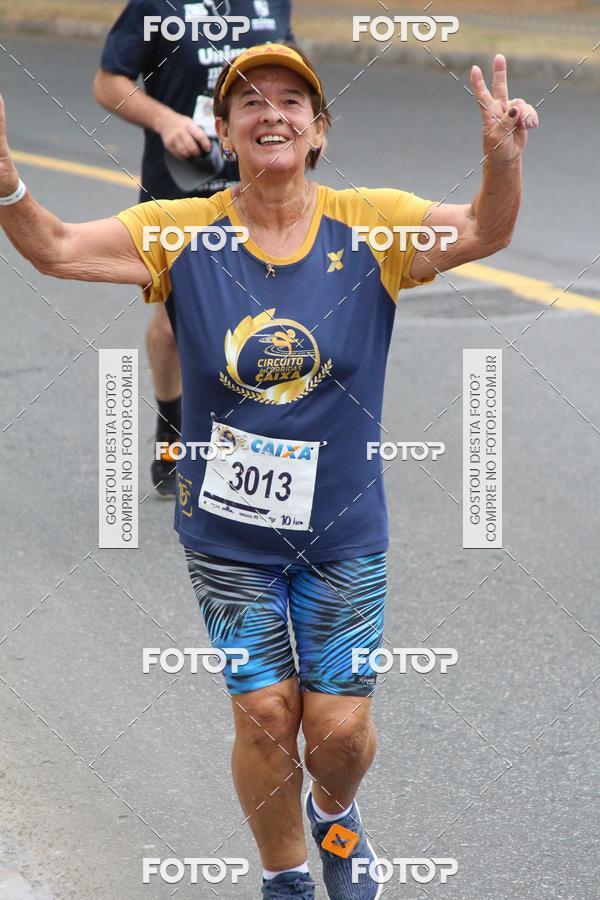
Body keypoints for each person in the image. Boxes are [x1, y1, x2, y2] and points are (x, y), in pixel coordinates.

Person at [0, 43, 538, 899]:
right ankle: (286, 876)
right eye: (249, 102)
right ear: (225, 131)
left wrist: (499, 161)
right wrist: (3, 177)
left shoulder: (374, 223)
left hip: (344, 528)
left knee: (338, 730)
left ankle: (335, 811)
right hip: (228, 534)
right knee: (263, 715)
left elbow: (485, 229)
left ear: (319, 131)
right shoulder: (180, 233)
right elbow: (55, 247)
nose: (272, 113)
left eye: (293, 101)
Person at [93, 0, 294, 497]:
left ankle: (257, 452)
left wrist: (301, 130)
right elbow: (109, 82)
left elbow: (288, 65)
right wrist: (164, 120)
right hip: (179, 185)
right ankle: (172, 428)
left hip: (261, 185)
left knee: (270, 314)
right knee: (173, 324)